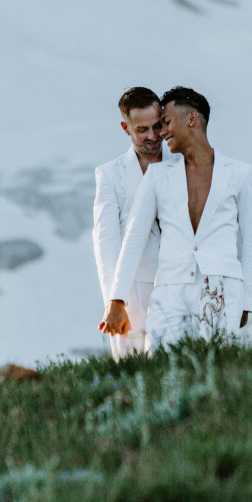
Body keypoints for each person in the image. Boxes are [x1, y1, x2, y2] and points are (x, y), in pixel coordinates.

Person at [99, 86, 252, 350]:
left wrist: (247, 301)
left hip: (222, 287)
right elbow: (134, 235)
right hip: (169, 289)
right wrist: (116, 299)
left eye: (165, 123)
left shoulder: (241, 175)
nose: (161, 133)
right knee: (161, 368)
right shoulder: (158, 175)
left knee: (214, 367)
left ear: (191, 119)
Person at [92, 87, 178, 359]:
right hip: (131, 290)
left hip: (177, 284)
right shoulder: (109, 175)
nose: (152, 137)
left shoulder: (182, 165)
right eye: (142, 130)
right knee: (131, 370)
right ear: (125, 128)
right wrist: (114, 301)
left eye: (157, 126)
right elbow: (106, 242)